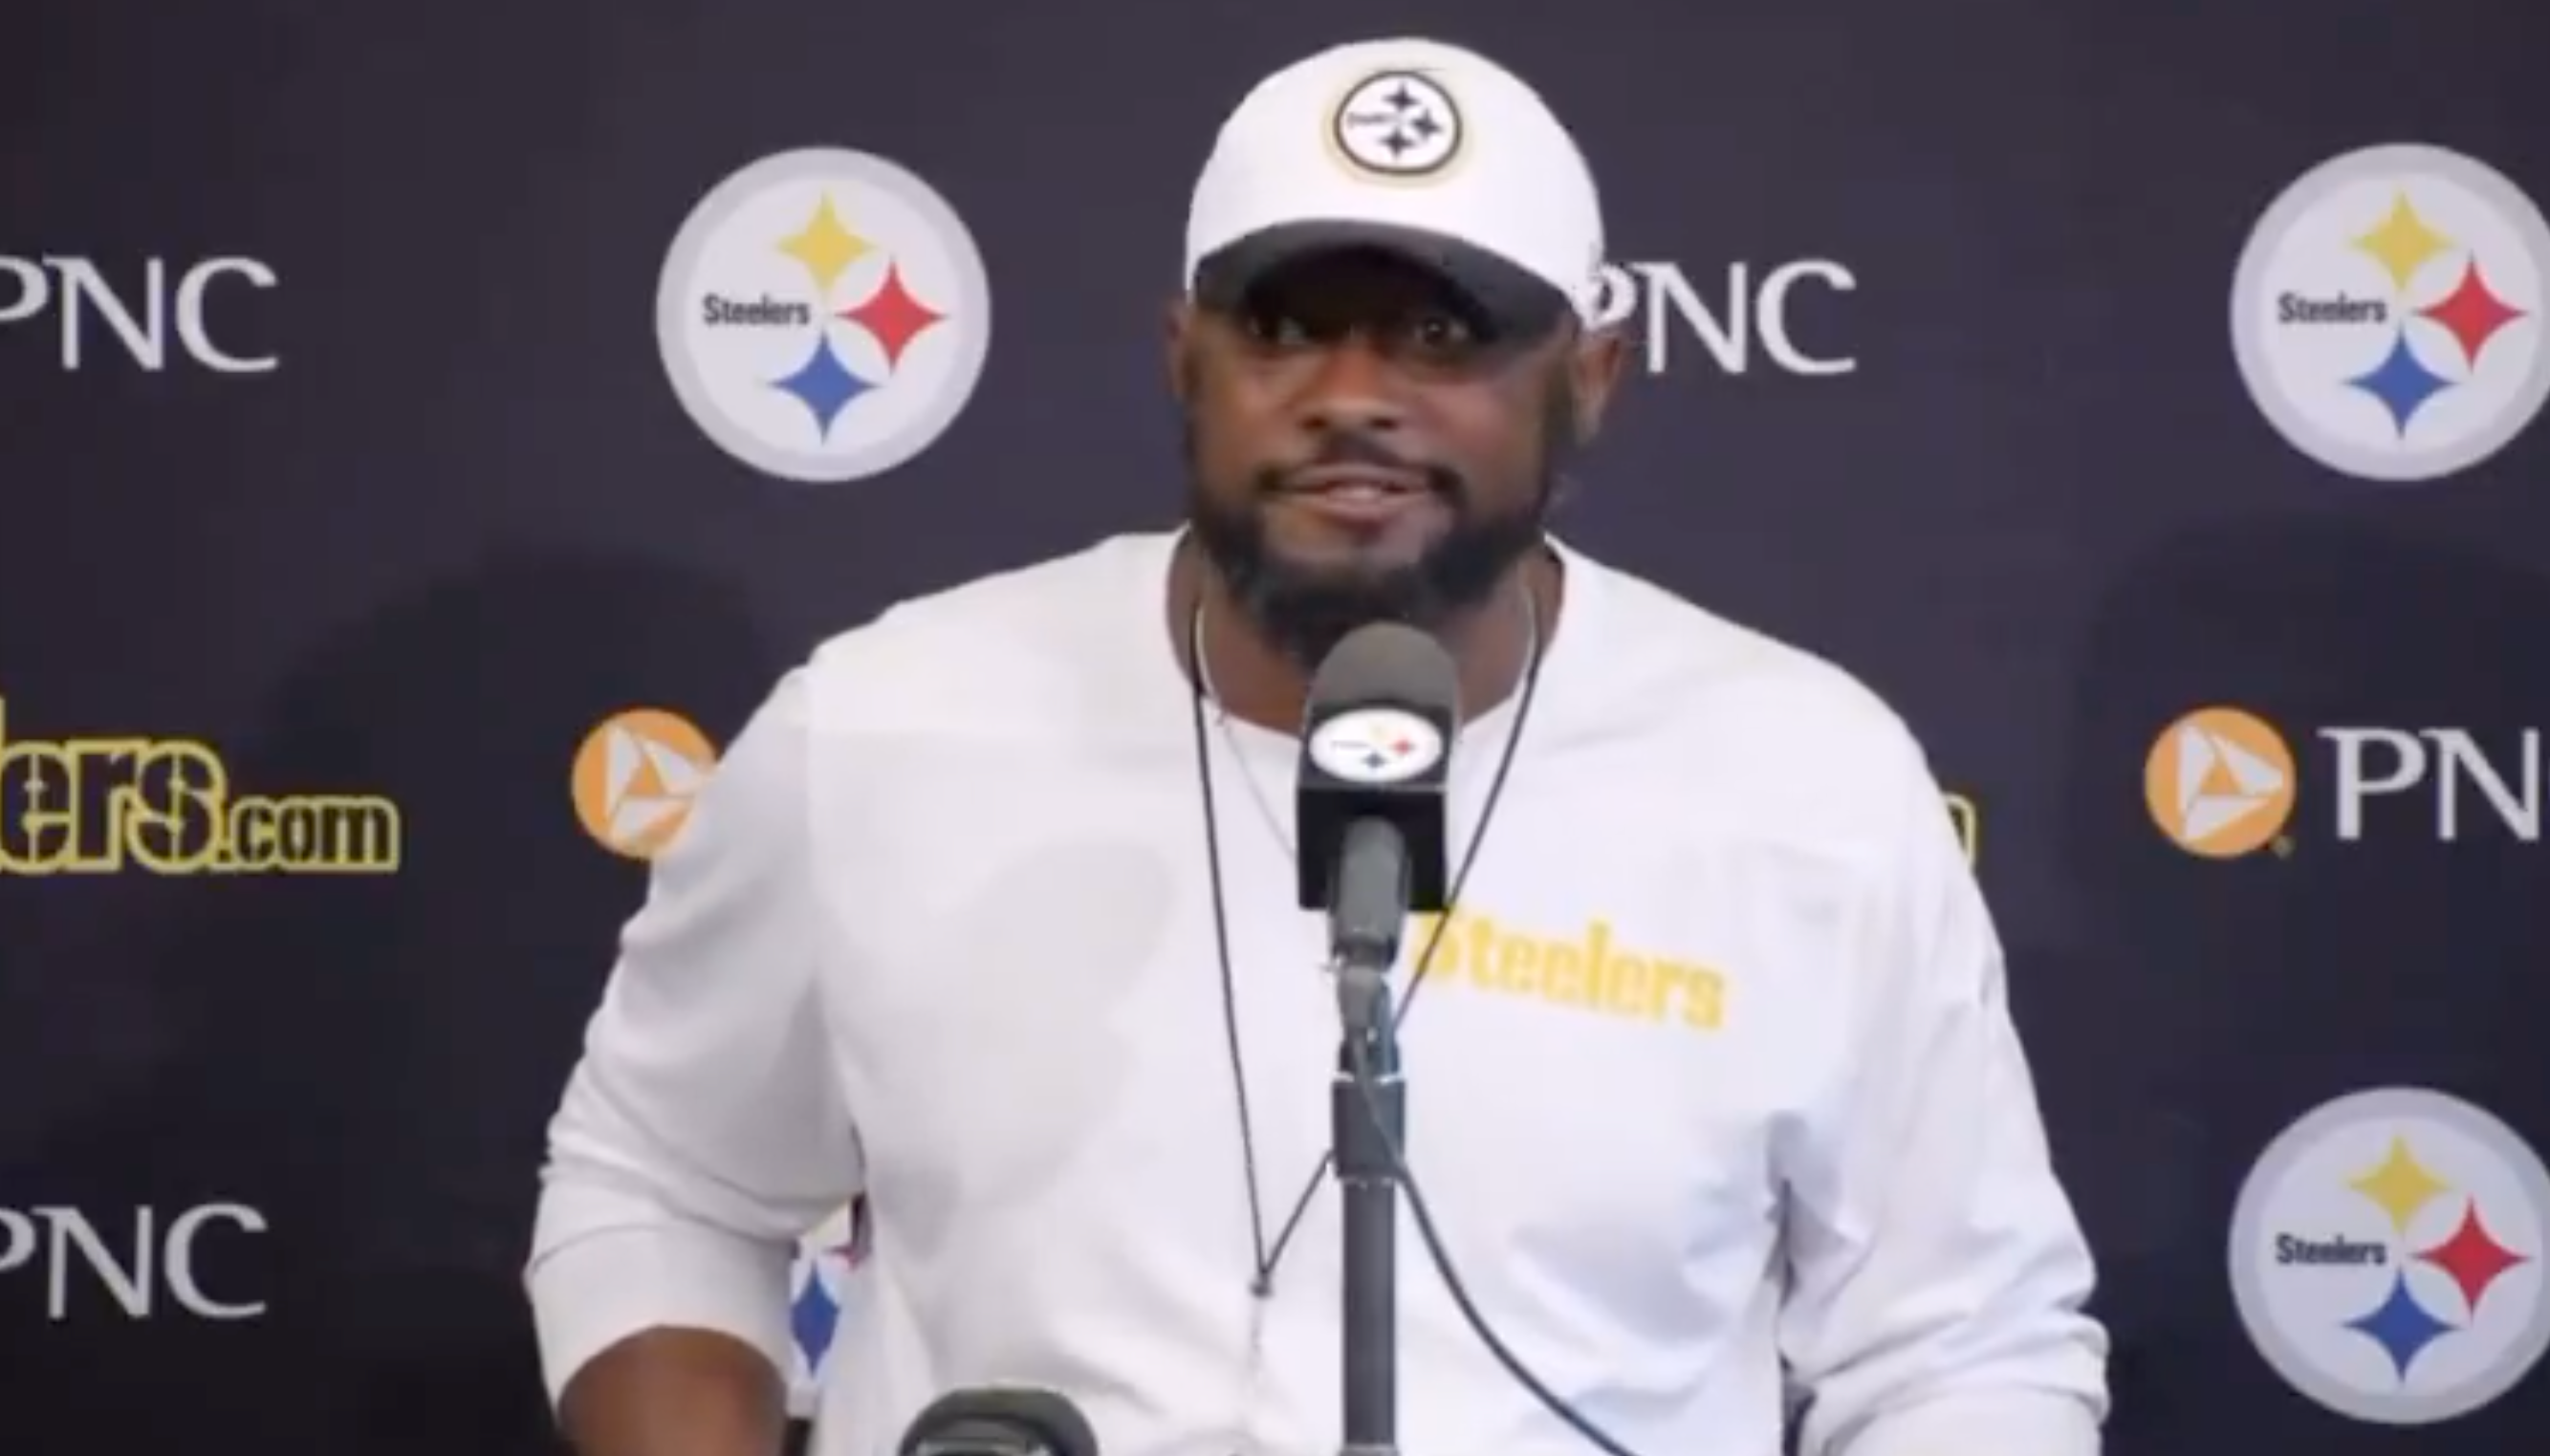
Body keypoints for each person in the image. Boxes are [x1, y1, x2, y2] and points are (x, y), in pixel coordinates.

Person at [523, 33, 2111, 1456]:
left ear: (1592, 378)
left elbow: (1962, 1345)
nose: (1354, 397)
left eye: (1440, 332)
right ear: (1181, 358)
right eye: (1286, 328)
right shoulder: (882, 727)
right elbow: (662, 1180)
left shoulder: (1804, 780)